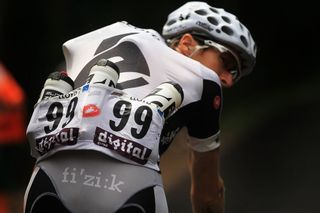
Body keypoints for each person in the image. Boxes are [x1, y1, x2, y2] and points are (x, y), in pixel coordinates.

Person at [24, 1, 257, 213]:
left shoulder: (94, 37)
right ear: (187, 44)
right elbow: (207, 195)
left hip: (46, 183)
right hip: (129, 193)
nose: (227, 79)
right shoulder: (206, 81)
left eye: (234, 73)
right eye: (226, 62)